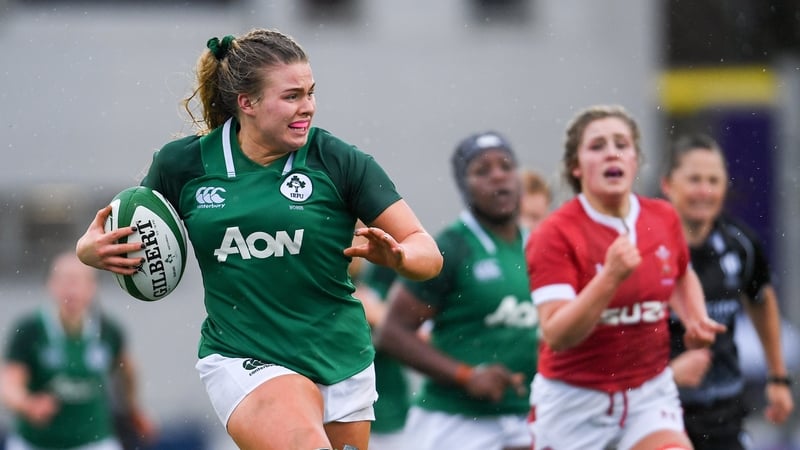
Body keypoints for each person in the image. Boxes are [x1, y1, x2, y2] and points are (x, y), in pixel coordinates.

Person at [75, 28, 442, 450]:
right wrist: (90, 251)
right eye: (291, 96)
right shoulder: (185, 164)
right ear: (246, 103)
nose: (308, 107)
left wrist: (398, 256)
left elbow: (426, 251)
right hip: (243, 355)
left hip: (341, 355)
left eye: (311, 92)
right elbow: (131, 230)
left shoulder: (339, 160)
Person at [525, 104, 726, 450]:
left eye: (621, 144)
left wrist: (696, 318)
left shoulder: (663, 216)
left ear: (635, 159)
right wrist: (609, 278)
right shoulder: (554, 233)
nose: (611, 153)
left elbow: (681, 273)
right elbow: (556, 334)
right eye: (597, 146)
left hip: (648, 394)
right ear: (576, 166)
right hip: (574, 403)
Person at [375, 131, 538, 450]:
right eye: (482, 170)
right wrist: (467, 376)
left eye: (505, 166)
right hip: (456, 421)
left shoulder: (536, 244)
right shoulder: (453, 246)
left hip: (525, 415)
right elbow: (392, 333)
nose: (498, 177)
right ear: (464, 185)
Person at [661, 133, 794, 450]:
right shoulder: (644, 246)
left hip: (724, 411)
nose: (704, 191)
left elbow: (761, 299)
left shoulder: (741, 243)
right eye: (694, 179)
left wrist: (778, 377)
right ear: (668, 184)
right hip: (658, 411)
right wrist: (664, 375)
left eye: (714, 180)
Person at [0, 251, 156, 450]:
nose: (71, 289)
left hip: (94, 441)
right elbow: (9, 384)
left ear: (92, 287)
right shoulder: (30, 330)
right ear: (50, 285)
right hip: (36, 443)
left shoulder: (108, 330)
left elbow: (127, 372)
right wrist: (28, 404)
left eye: (78, 281)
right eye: (64, 280)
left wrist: (134, 409)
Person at [352, 262, 412, 450]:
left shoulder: (385, 272)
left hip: (387, 414)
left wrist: (381, 318)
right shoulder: (311, 273)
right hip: (325, 412)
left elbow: (426, 339)